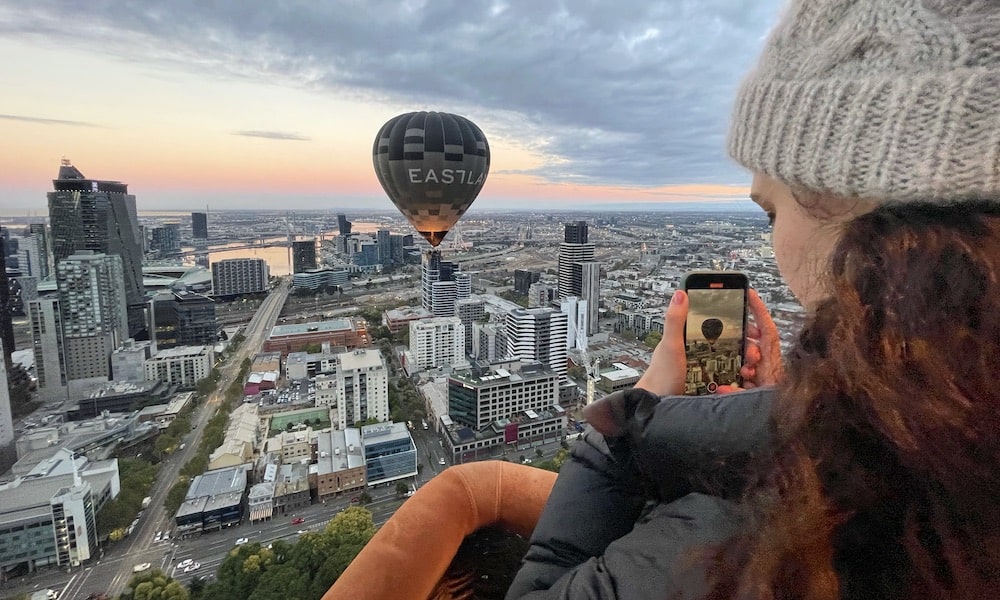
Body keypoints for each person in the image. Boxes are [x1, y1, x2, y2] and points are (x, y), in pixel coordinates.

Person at [326, 0, 1000, 598]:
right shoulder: (944, 451)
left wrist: (631, 424)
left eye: (769, 211)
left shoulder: (784, 502)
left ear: (853, 209)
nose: (773, 243)